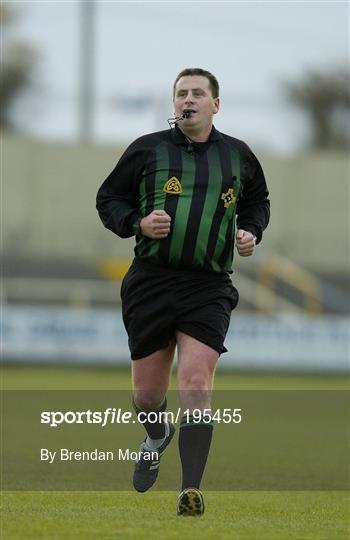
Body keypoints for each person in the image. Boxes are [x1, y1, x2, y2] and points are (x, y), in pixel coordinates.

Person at [96, 67, 270, 516]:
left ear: (215, 103)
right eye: (180, 94)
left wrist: (250, 231)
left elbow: (257, 202)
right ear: (173, 103)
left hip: (208, 286)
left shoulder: (238, 156)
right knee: (148, 397)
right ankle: (157, 435)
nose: (187, 100)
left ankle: (190, 491)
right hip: (151, 282)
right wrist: (137, 223)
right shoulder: (147, 149)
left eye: (197, 93)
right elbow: (108, 199)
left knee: (195, 382)